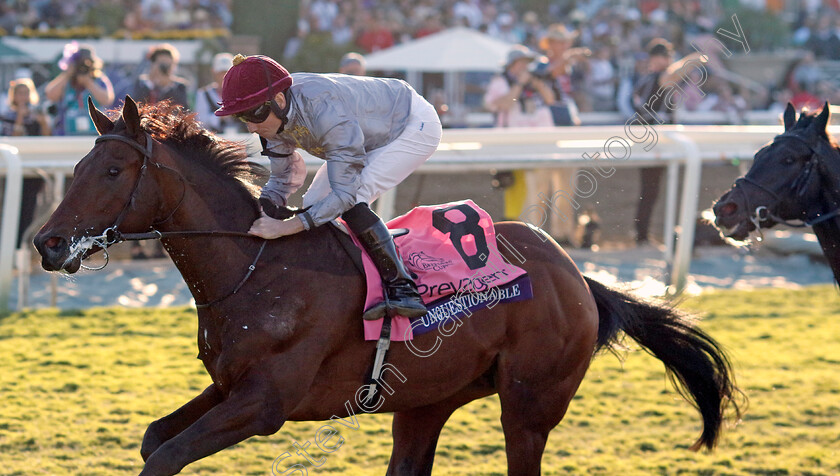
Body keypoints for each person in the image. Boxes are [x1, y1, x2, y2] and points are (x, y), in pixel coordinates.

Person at [214, 54, 442, 319]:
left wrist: (287, 227)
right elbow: (282, 181)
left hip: (412, 124)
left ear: (278, 100)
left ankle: (404, 288)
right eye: (242, 117)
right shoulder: (272, 118)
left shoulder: (325, 110)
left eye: (255, 113)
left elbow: (344, 195)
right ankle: (342, 282)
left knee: (353, 198)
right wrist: (259, 213)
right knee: (313, 204)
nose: (252, 126)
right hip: (365, 130)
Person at [483, 45, 576, 245]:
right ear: (513, 65)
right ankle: (521, 235)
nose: (526, 67)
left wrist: (538, 84)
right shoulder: (502, 82)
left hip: (541, 141)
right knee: (518, 191)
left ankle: (541, 235)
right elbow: (503, 104)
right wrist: (519, 85)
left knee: (537, 190)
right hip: (513, 144)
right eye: (523, 63)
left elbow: (551, 101)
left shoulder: (535, 81)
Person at [631, 38, 704, 245]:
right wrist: (693, 60)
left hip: (654, 139)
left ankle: (643, 235)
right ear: (655, 58)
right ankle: (641, 236)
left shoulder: (648, 78)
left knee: (651, 191)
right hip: (652, 141)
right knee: (649, 190)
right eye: (664, 56)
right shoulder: (655, 77)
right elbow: (672, 75)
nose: (668, 60)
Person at [1, 78, 51, 248]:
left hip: (32, 169)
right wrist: (20, 118)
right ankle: (9, 247)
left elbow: (46, 140)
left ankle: (21, 247)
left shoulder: (36, 116)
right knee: (10, 208)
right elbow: (12, 140)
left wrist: (43, 122)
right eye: (20, 93)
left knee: (29, 210)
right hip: (13, 169)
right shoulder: (6, 116)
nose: (23, 97)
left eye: (26, 93)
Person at [44, 42, 114, 136]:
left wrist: (88, 83)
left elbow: (107, 100)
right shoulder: (67, 81)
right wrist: (68, 74)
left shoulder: (99, 79)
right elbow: (51, 95)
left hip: (94, 133)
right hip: (67, 133)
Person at [132, 43, 190, 108]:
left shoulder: (179, 87)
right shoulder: (141, 84)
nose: (165, 69)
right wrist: (151, 84)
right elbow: (135, 106)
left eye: (169, 65)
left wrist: (167, 87)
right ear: (152, 64)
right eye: (162, 64)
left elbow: (184, 110)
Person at [194, 52, 239, 134]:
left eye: (226, 73)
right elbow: (200, 121)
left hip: (243, 139)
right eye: (220, 73)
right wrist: (221, 116)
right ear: (213, 72)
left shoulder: (241, 93)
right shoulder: (203, 93)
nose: (224, 76)